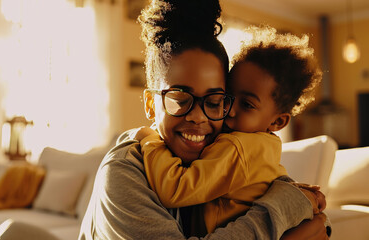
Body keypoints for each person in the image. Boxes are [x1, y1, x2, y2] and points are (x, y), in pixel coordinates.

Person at [79, 0, 330, 239]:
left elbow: (301, 208)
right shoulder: (124, 170)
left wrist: (298, 198)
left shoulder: (222, 142)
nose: (198, 116)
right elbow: (285, 205)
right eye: (180, 99)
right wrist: (285, 211)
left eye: (214, 101)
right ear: (150, 105)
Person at [131, 25, 325, 235]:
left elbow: (175, 189)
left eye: (247, 105)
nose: (229, 110)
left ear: (278, 122)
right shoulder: (261, 144)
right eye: (226, 97)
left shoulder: (237, 146)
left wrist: (149, 140)